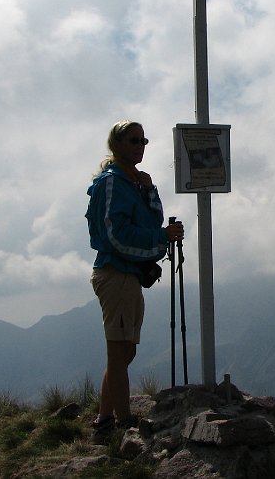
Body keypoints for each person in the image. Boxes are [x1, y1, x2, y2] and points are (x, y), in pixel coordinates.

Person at [85, 119, 184, 444]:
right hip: (117, 273)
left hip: (128, 274)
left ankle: (104, 419)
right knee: (119, 351)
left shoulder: (133, 182)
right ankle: (121, 421)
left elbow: (153, 217)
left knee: (124, 352)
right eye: (133, 141)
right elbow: (115, 234)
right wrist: (161, 239)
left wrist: (149, 188)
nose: (140, 146)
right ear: (116, 145)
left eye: (143, 141)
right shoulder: (111, 183)